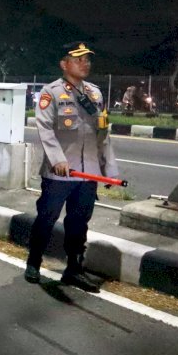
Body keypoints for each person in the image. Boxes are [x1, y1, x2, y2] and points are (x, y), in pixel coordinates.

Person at [24, 42, 117, 293]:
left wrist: (109, 170)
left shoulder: (95, 94)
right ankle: (34, 261)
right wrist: (57, 159)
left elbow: (103, 134)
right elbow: (44, 128)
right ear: (64, 64)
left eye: (87, 59)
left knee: (79, 223)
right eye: (78, 59)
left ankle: (74, 270)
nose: (85, 63)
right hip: (59, 173)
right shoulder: (51, 93)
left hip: (87, 175)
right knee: (47, 217)